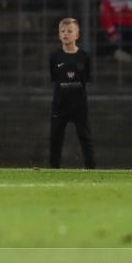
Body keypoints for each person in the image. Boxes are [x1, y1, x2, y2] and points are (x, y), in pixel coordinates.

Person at [49, 18, 96, 169]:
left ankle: (91, 168)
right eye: (62, 31)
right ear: (59, 34)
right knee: (55, 137)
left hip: (79, 105)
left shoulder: (84, 57)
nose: (65, 34)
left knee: (85, 137)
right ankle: (53, 168)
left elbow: (86, 79)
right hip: (60, 104)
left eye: (69, 31)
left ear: (77, 35)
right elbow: (55, 78)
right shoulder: (55, 57)